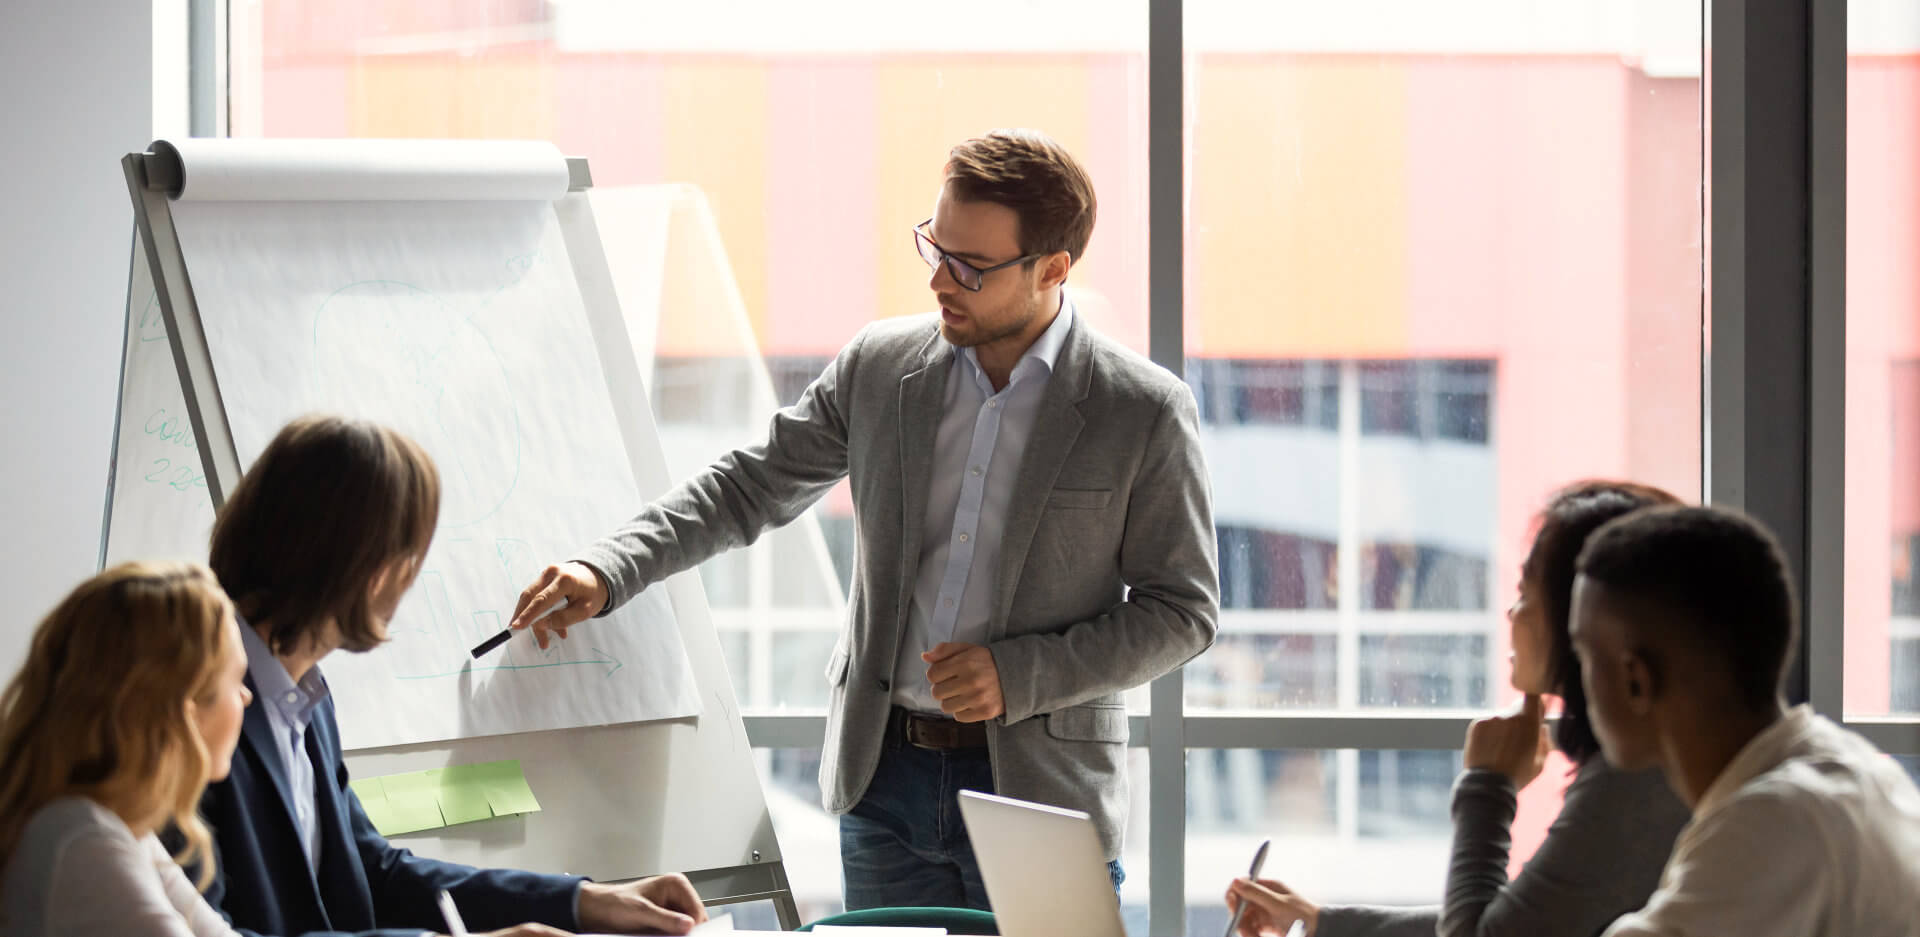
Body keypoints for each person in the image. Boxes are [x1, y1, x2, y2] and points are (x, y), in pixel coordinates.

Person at [511, 129, 1220, 909]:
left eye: (971, 267)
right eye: (935, 249)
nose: (941, 282)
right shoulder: (882, 369)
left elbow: (1183, 612)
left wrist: (1018, 675)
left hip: (1041, 795)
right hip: (882, 784)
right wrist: (612, 566)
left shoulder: (1142, 411)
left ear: (1053, 270)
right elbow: (749, 486)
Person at [195, 415, 709, 937]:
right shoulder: (189, 706)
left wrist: (585, 902)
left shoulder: (304, 698)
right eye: (409, 555)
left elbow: (374, 873)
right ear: (362, 564)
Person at [1225, 481, 1693, 937]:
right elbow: (1515, 922)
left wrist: (1489, 785)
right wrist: (1319, 922)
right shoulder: (1637, 765)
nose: (1512, 612)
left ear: (1586, 613)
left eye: (1528, 592)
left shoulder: (1633, 780)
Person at [1569, 505, 1920, 936]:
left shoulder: (1773, 824)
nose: (1577, 680)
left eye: (1584, 654)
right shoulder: (1853, 768)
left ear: (1636, 680)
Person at [1, 562, 250, 937]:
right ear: (182, 708)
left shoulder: (117, 829)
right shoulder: (83, 843)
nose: (246, 697)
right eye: (237, 680)